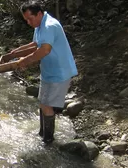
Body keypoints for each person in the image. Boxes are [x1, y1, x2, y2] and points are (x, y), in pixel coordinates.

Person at [11, 2, 78, 143]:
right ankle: (42, 134)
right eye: (26, 20)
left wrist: (24, 61)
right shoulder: (39, 25)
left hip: (59, 72)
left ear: (39, 14)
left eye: (30, 19)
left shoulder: (49, 26)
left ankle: (48, 140)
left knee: (47, 105)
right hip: (48, 71)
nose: (29, 23)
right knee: (42, 102)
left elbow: (45, 50)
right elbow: (35, 44)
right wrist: (16, 52)